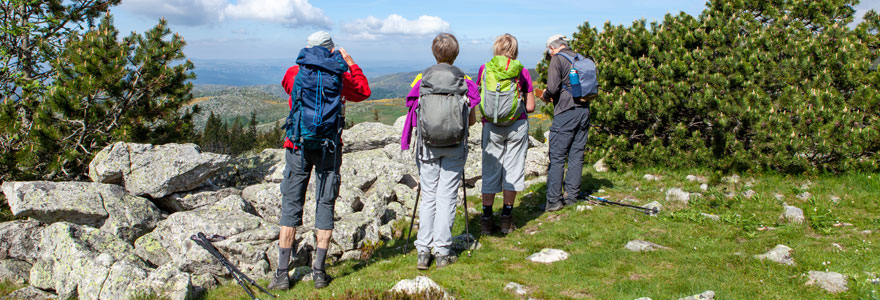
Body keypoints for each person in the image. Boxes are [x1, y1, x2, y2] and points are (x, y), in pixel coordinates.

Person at [268, 31, 371, 291]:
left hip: (297, 147)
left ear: (307, 48)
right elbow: (364, 91)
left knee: (291, 205)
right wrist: (349, 61)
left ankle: (281, 274)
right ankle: (319, 273)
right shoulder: (340, 75)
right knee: (324, 204)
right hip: (329, 148)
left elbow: (286, 86)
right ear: (331, 50)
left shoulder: (295, 73)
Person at [400, 33, 480, 270]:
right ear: (455, 54)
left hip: (428, 146)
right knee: (447, 197)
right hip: (455, 146)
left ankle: (423, 251)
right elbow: (472, 119)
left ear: (434, 53)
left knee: (429, 196)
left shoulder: (422, 78)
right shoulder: (464, 80)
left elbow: (413, 112)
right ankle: (443, 252)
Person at [476, 34, 535, 235]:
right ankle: (506, 220)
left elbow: (480, 96)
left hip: (491, 126)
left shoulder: (485, 69)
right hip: (516, 125)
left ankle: (486, 220)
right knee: (513, 170)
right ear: (515, 50)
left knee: (490, 170)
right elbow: (531, 106)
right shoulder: (522, 71)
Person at [539, 34, 591, 212]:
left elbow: (553, 88)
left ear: (552, 48)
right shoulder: (579, 58)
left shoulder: (557, 59)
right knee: (576, 155)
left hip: (566, 111)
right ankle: (571, 197)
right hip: (584, 110)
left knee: (558, 157)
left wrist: (545, 96)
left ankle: (553, 200)